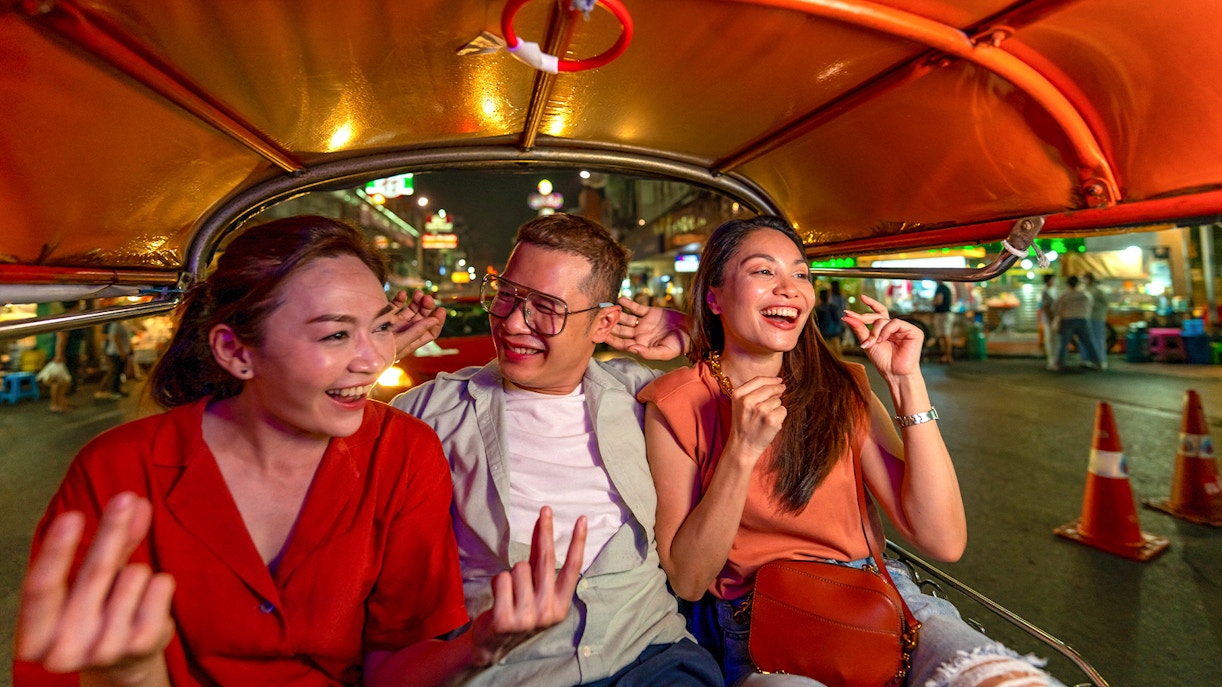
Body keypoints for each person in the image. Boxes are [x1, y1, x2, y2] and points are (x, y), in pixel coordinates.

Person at [15, 216, 583, 687]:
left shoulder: (403, 452)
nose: (373, 360)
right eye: (335, 334)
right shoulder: (119, 470)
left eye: (381, 327)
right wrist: (132, 678)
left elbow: (393, 665)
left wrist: (483, 645)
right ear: (236, 352)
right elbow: (55, 665)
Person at [639, 215, 1060, 687]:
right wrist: (740, 452)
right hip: (761, 623)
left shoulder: (842, 386)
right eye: (763, 272)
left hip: (877, 596)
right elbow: (689, 580)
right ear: (714, 296)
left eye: (800, 274)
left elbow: (943, 539)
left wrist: (906, 383)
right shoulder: (674, 403)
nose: (789, 289)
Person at [392, 213, 723, 687]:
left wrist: (690, 330)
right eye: (505, 295)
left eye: (545, 307)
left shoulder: (644, 395)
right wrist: (373, 354)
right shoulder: (432, 410)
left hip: (652, 658)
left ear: (604, 322)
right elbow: (321, 447)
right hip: (512, 670)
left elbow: (777, 390)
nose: (511, 322)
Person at [1052, 275, 1101, 371]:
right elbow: (1090, 306)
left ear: (1068, 284)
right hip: (1083, 320)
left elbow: (1058, 309)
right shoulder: (1085, 294)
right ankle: (1097, 363)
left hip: (1067, 320)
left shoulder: (1064, 295)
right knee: (1088, 342)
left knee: (1063, 343)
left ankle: (1059, 364)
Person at [48, 302, 86, 413]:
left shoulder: (73, 318)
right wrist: (59, 354)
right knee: (59, 380)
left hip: (70, 353)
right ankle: (55, 404)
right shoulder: (66, 319)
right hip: (65, 354)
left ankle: (61, 401)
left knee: (65, 380)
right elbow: (61, 337)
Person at [95, 312, 133, 400]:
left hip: (120, 351)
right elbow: (115, 339)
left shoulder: (121, 325)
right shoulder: (115, 325)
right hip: (116, 352)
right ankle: (112, 390)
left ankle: (116, 389)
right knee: (115, 371)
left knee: (118, 371)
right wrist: (122, 352)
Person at [1083, 273, 1109, 369]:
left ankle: (1101, 360)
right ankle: (1087, 360)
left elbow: (1104, 304)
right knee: (1087, 340)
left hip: (1097, 318)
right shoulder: (1085, 290)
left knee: (1098, 339)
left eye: (1085, 279)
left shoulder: (1098, 291)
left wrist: (1092, 306)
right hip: (1086, 317)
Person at [815, 282, 844, 359]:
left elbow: (817, 321)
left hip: (823, 331)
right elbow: (837, 318)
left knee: (824, 349)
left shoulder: (818, 308)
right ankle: (839, 362)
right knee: (836, 347)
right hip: (834, 330)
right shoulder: (832, 307)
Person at [1039, 274, 1057, 371]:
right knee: (1050, 340)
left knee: (1054, 340)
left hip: (1054, 319)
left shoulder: (1053, 290)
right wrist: (1051, 320)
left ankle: (1054, 360)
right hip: (1049, 319)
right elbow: (1045, 307)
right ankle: (1051, 362)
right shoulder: (1045, 291)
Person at [932, 280, 954, 363]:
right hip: (947, 313)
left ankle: (947, 356)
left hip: (942, 314)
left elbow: (938, 301)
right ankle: (947, 356)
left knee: (944, 335)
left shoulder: (940, 288)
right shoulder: (947, 288)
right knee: (945, 335)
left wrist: (932, 303)